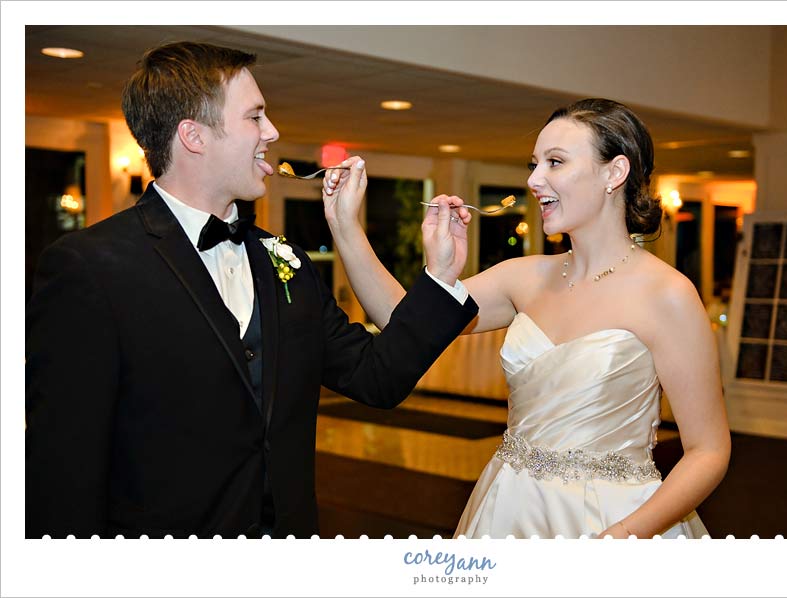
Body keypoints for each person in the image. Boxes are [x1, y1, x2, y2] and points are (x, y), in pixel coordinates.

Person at [25, 41, 478, 539]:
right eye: (255, 117)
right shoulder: (89, 267)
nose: (273, 132)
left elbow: (378, 378)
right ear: (193, 136)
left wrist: (439, 277)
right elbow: (63, 471)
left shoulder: (284, 262)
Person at [323, 98, 731, 538]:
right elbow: (399, 321)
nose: (534, 180)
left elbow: (708, 451)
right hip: (511, 512)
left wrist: (620, 539)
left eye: (555, 162)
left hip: (615, 522)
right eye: (534, 164)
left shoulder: (666, 294)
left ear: (615, 172)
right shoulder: (523, 277)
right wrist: (347, 226)